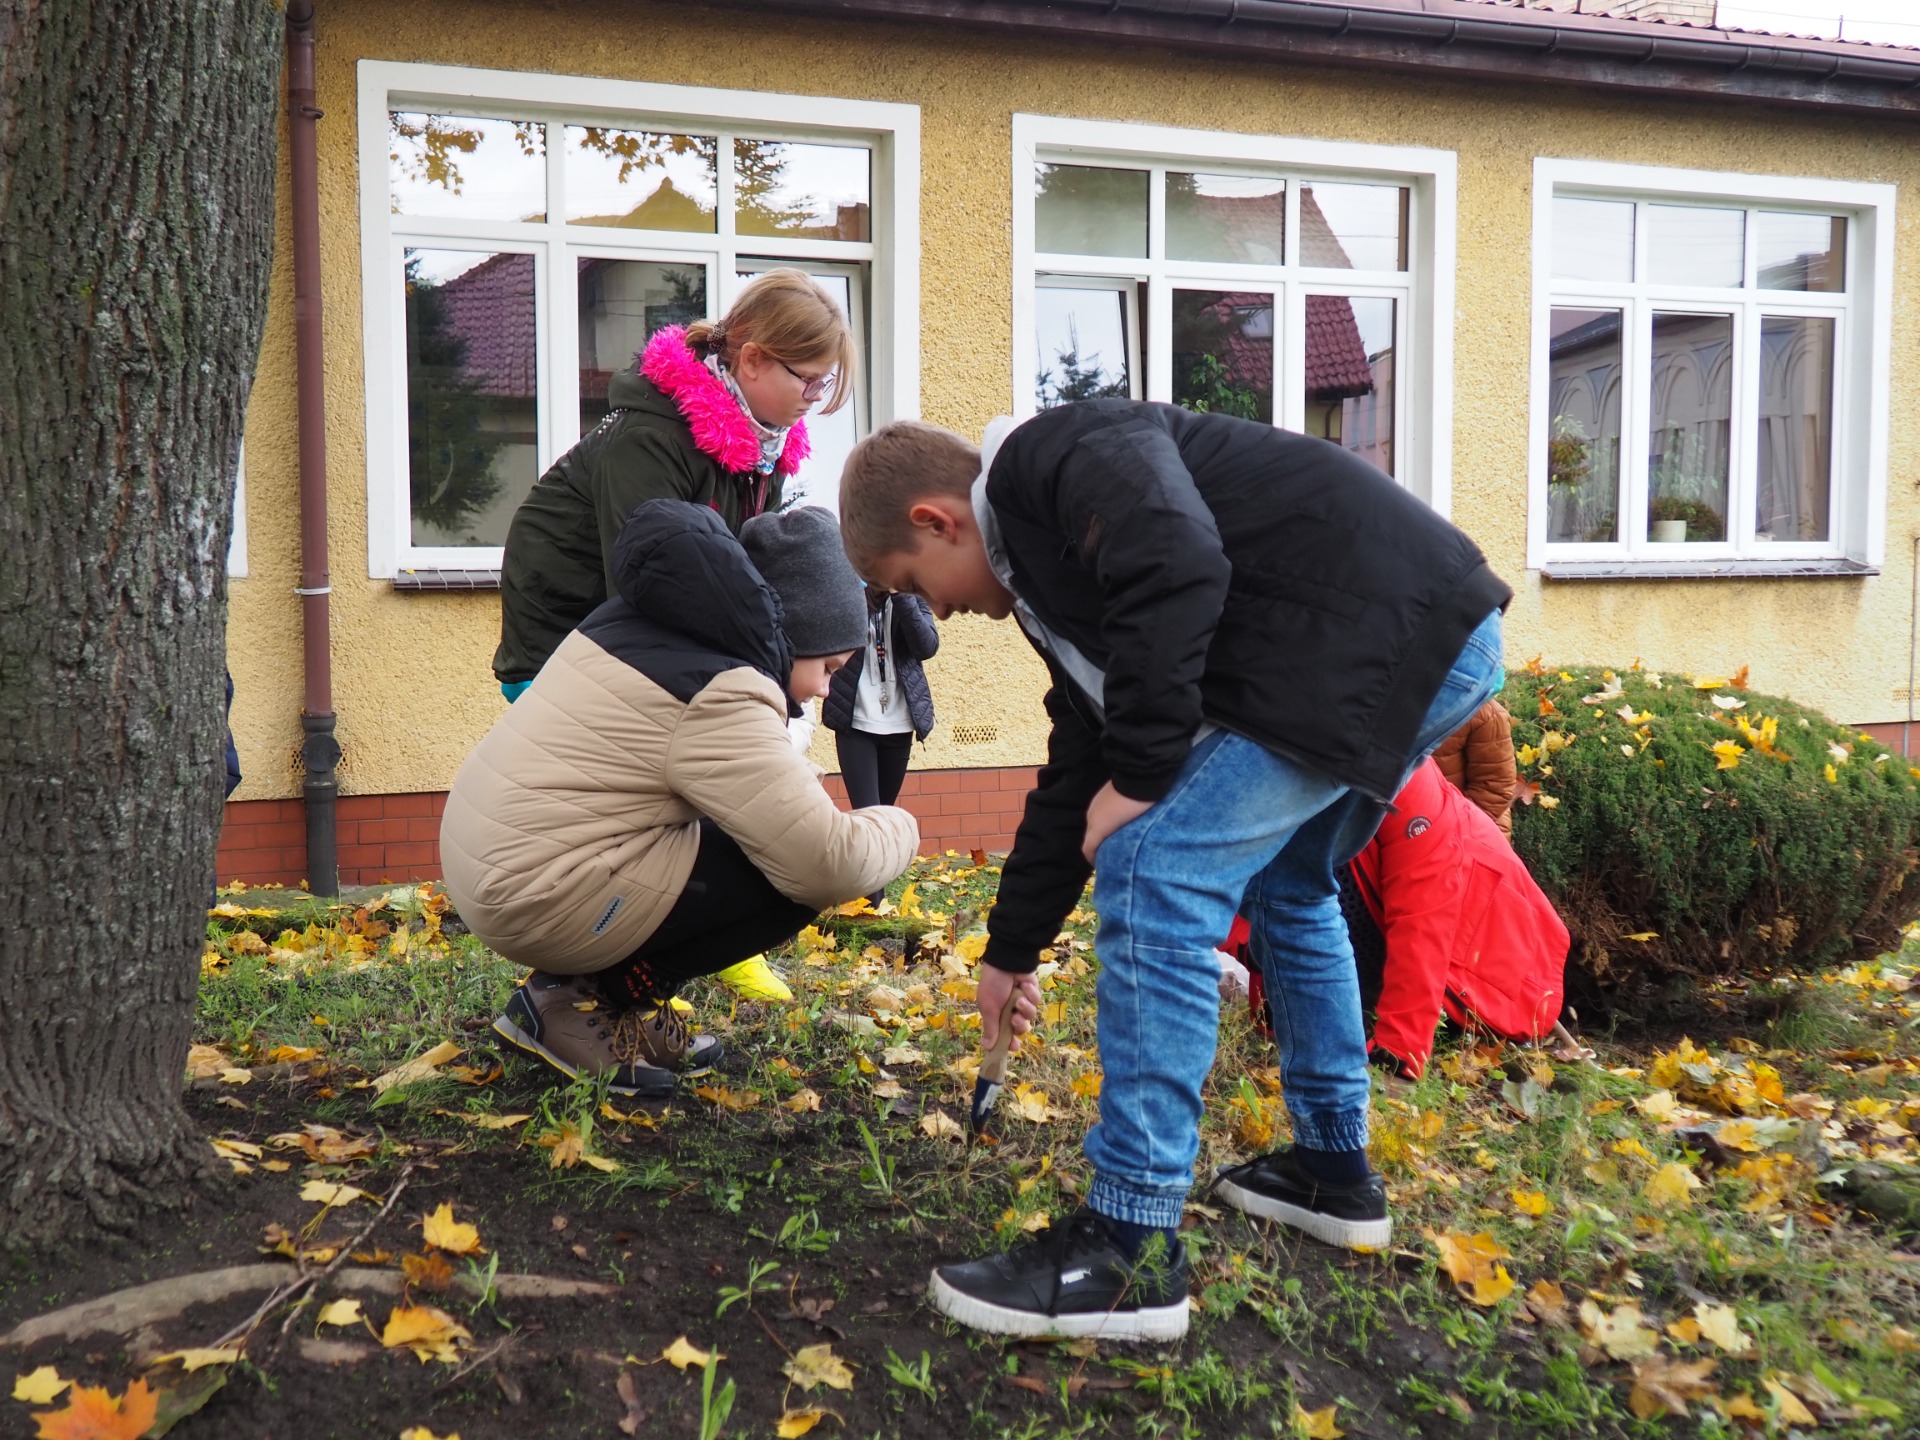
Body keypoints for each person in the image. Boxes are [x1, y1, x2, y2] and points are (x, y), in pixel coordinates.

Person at [839, 402, 1510, 1341]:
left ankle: (1130, 1245)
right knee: (1288, 883)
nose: (936, 611)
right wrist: (1011, 950)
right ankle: (1332, 1170)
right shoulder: (1049, 568)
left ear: (934, 521)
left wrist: (1146, 774)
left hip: (1377, 638)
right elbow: (1078, 763)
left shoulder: (1052, 457)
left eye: (915, 586)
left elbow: (1178, 559)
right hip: (1424, 637)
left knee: (1152, 865)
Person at [442, 502, 917, 1098]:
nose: (825, 687)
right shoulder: (725, 688)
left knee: (756, 836)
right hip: (536, 895)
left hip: (500, 862)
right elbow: (827, 861)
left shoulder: (639, 622)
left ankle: (594, 999)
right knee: (792, 877)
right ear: (799, 628)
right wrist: (899, 824)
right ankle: (579, 1002)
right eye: (829, 666)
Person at [1230, 755, 1567, 1080]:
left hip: (1484, 946)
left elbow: (1422, 922)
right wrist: (1258, 952)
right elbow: (1228, 879)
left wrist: (1398, 1051)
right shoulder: (1264, 764)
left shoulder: (1407, 777)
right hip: (1370, 928)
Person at [821, 588, 939, 905]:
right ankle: (875, 905)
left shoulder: (913, 595)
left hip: (899, 724)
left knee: (883, 819)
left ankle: (865, 894)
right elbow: (828, 638)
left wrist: (902, 597)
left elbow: (926, 647)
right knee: (869, 818)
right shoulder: (847, 592)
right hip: (855, 720)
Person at [1429, 698, 1517, 837]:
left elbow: (1494, 789)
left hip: (1465, 829)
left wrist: (1446, 831)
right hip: (1407, 823)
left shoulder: (1486, 712)